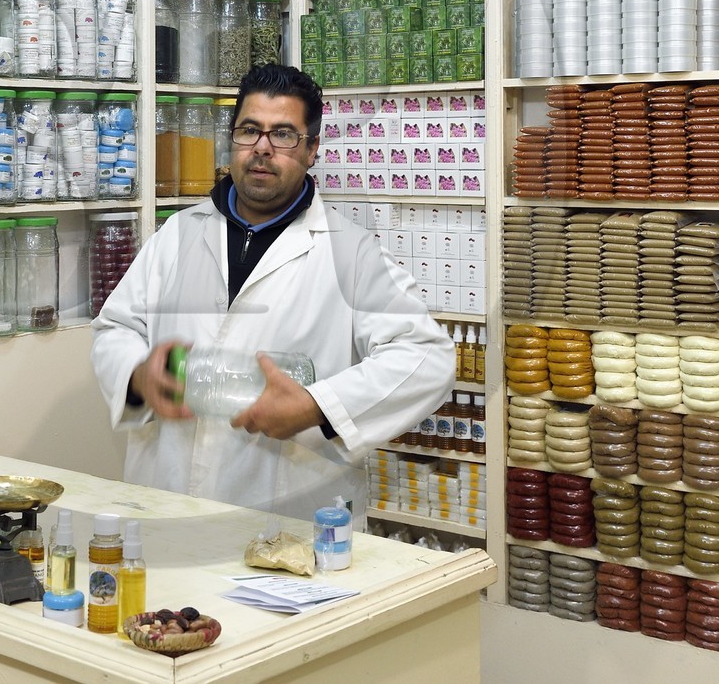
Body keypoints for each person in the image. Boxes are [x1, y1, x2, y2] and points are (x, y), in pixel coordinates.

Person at [90, 64, 455, 521]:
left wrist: (317, 406)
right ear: (233, 139)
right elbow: (115, 327)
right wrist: (139, 376)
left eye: (283, 134)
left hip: (288, 516)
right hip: (165, 500)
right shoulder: (179, 233)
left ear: (312, 149)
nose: (262, 148)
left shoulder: (351, 252)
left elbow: (428, 357)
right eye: (249, 131)